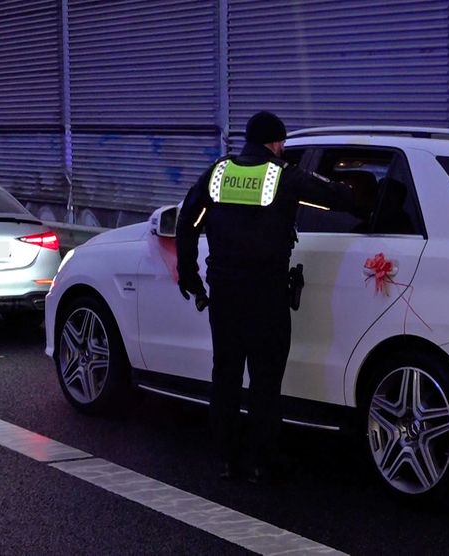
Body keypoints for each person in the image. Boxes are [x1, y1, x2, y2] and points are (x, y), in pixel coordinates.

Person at [175, 111, 355, 483]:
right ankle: (260, 462)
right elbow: (335, 197)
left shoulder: (219, 172)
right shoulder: (283, 174)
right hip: (266, 294)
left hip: (224, 293)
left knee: (225, 375)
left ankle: (225, 460)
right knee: (265, 380)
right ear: (276, 143)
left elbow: (186, 221)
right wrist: (361, 190)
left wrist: (190, 275)